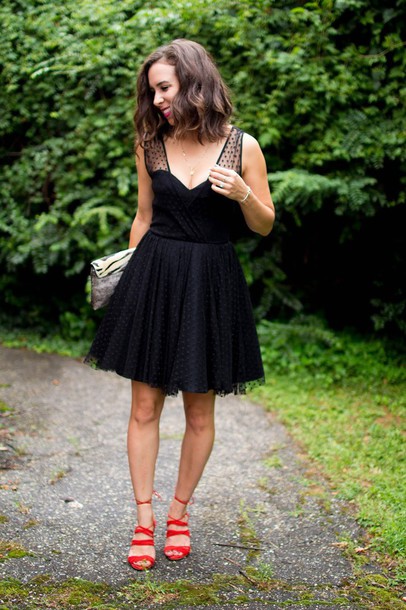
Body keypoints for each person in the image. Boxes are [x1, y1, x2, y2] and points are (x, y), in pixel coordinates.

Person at [85, 39, 275, 571]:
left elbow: (264, 224)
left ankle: (179, 514)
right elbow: (143, 218)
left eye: (165, 88)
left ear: (193, 82)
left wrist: (242, 194)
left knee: (198, 411)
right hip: (153, 279)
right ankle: (144, 521)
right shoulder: (151, 145)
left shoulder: (244, 147)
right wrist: (124, 285)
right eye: (154, 92)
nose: (159, 100)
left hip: (211, 283)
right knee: (144, 408)